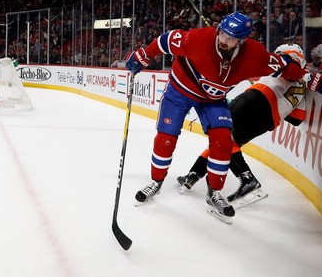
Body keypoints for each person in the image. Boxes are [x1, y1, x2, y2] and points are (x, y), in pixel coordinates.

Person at [126, 12, 306, 221]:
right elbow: (166, 40)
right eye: (223, 34)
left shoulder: (254, 54)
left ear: (242, 41)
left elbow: (284, 66)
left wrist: (311, 78)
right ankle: (156, 183)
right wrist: (143, 56)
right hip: (179, 93)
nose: (224, 41)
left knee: (222, 141)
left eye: (231, 39)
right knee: (166, 138)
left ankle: (214, 193)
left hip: (213, 99)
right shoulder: (197, 38)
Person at [176, 44, 322, 208]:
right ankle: (193, 176)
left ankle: (247, 179)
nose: (276, 58)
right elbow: (296, 119)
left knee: (220, 135)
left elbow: (286, 62)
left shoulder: (293, 65)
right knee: (226, 143)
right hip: (268, 121)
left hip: (257, 98)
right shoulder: (303, 87)